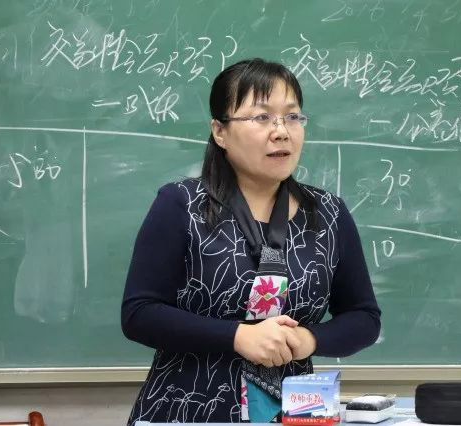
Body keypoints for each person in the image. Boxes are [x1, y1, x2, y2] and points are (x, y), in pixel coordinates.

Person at [121, 58, 381, 424]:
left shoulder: (327, 213)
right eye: (261, 117)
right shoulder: (181, 204)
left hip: (295, 412)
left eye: (293, 116)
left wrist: (308, 340)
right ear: (220, 132)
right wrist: (238, 336)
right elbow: (139, 313)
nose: (281, 131)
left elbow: (364, 317)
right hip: (189, 409)